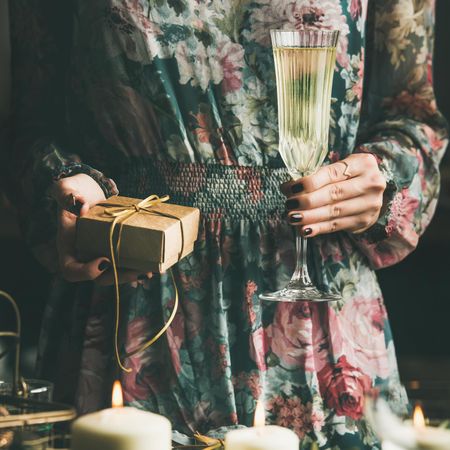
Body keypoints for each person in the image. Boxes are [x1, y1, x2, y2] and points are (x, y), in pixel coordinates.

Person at [6, 0, 448, 448]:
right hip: (133, 296)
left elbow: (413, 114)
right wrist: (55, 183)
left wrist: (384, 178)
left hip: (315, 314)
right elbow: (28, 122)